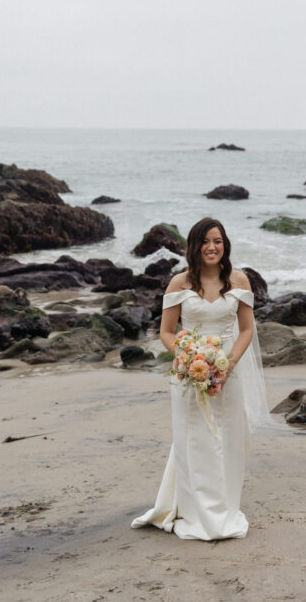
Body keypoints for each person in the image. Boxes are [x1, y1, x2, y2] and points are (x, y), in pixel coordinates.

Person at [132, 216, 255, 539]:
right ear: (193, 246)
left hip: (228, 369)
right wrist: (188, 358)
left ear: (225, 245)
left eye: (217, 241)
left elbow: (246, 330)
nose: (211, 247)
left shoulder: (239, 280)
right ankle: (194, 511)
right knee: (195, 441)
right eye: (204, 241)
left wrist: (227, 365)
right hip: (190, 374)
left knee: (227, 439)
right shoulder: (179, 283)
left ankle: (224, 508)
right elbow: (167, 333)